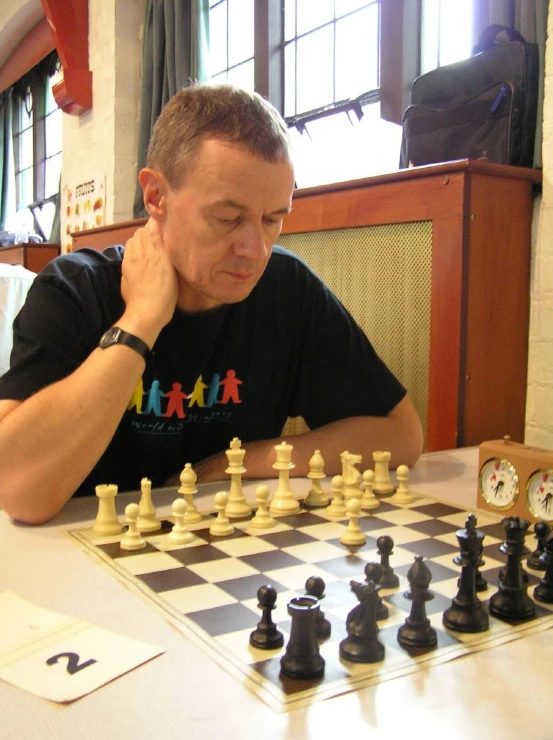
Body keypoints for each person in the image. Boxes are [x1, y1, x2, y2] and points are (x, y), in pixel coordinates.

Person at [0, 83, 423, 525]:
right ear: (156, 197)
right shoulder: (75, 289)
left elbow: (401, 435)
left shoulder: (286, 290)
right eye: (228, 218)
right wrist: (141, 321)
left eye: (273, 219)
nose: (256, 248)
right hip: (86, 560)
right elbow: (19, 493)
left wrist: (232, 463)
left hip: (228, 555)